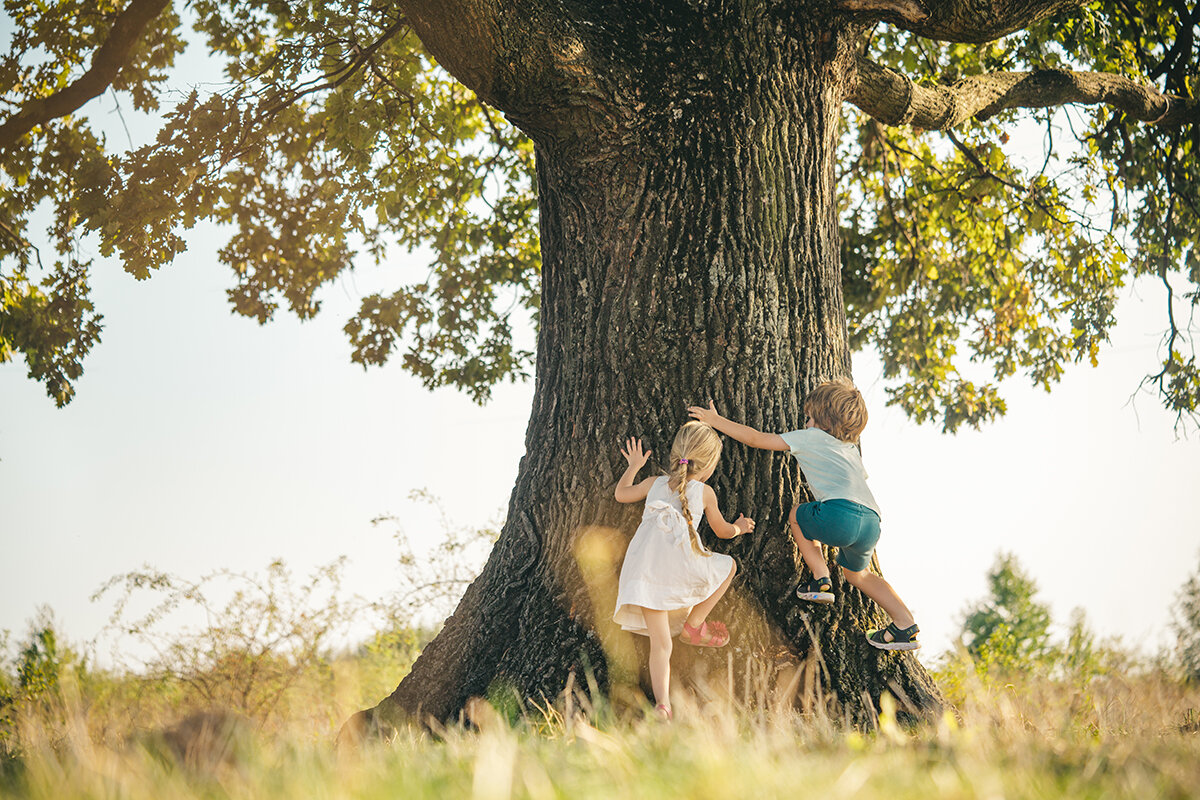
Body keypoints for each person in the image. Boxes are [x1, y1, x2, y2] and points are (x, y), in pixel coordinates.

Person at [688, 379, 920, 651]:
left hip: (840, 514)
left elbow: (755, 438)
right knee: (859, 575)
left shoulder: (809, 437)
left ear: (823, 420)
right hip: (871, 521)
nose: (805, 422)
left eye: (808, 418)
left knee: (797, 514)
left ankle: (821, 579)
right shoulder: (850, 450)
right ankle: (905, 623)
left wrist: (715, 420)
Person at [613, 421, 756, 720]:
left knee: (661, 644)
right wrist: (740, 528)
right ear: (709, 466)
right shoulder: (704, 492)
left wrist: (634, 466)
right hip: (678, 568)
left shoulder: (653, 483)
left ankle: (662, 705)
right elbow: (722, 531)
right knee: (728, 566)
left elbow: (621, 494)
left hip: (646, 574)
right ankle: (695, 625)